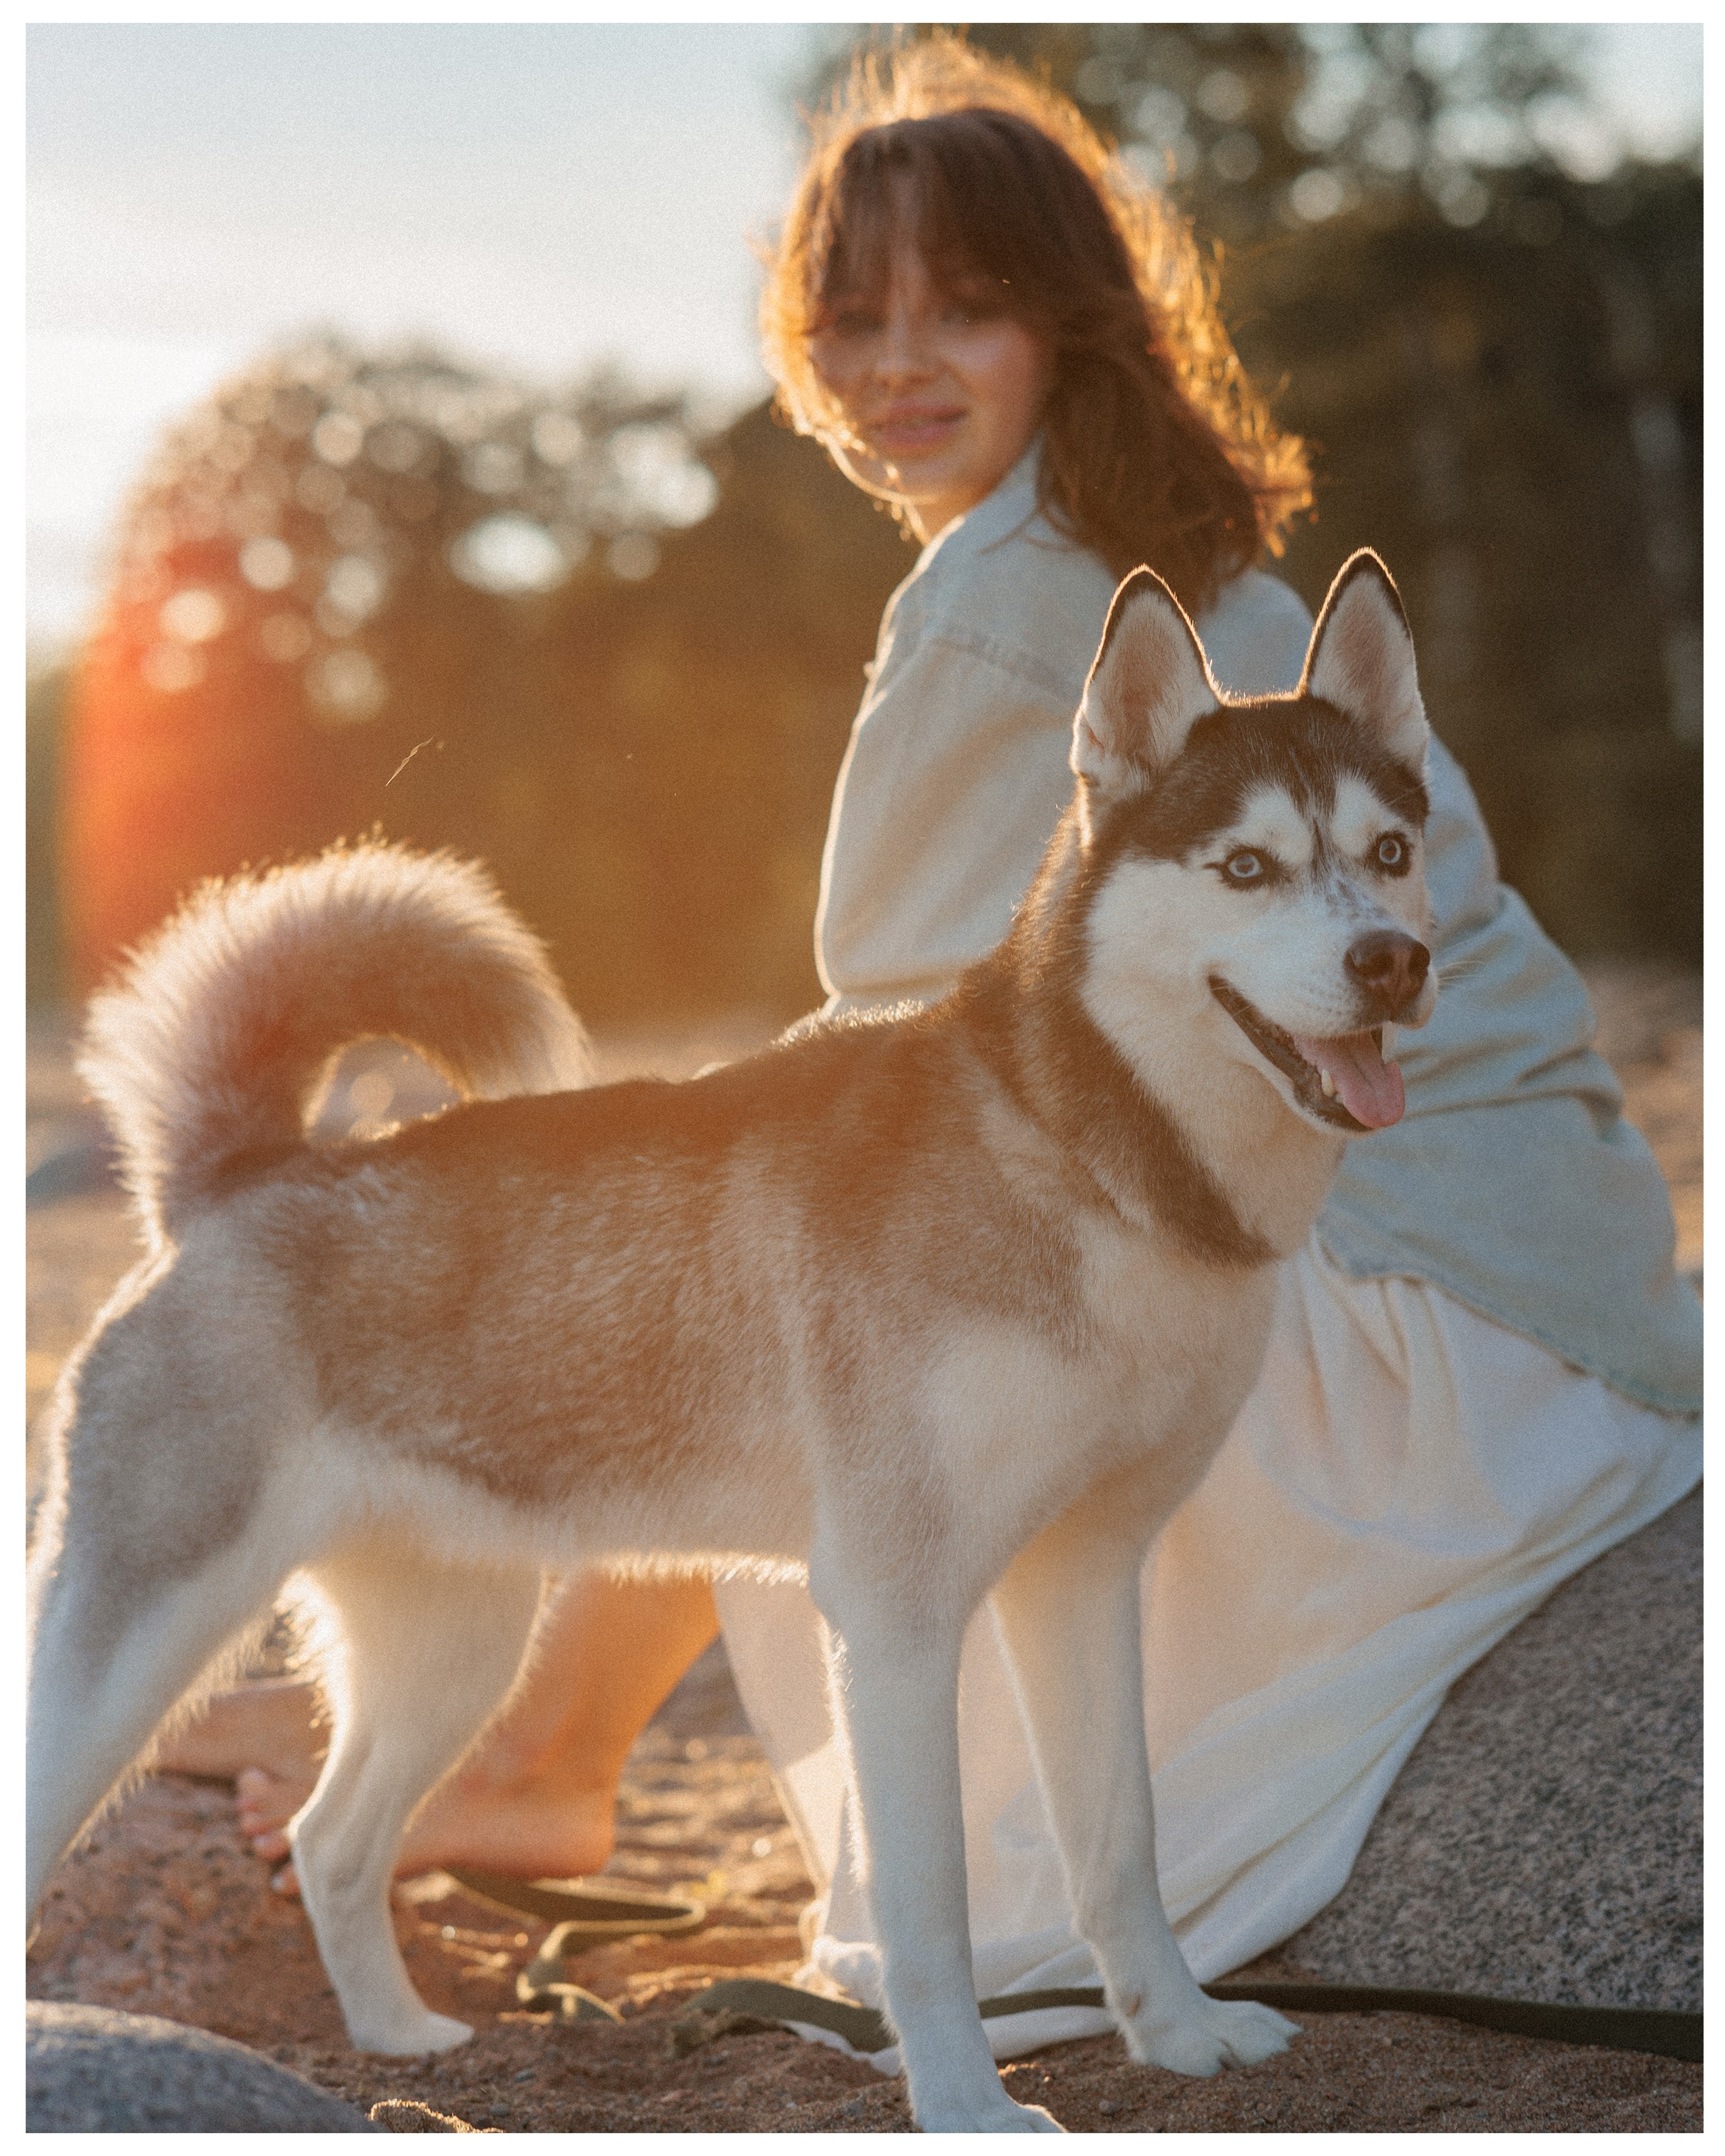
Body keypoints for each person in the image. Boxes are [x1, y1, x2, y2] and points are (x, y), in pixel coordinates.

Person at [170, 37, 1701, 2047]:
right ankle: (500, 1715)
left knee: (785, 1278)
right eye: (848, 315)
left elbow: (878, 1073)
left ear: (1062, 324)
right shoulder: (1196, 554)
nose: (896, 361)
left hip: (1383, 1304)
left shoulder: (1011, 600)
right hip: (1553, 1301)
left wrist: (517, 1202)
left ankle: (539, 1744)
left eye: (960, 307)